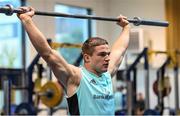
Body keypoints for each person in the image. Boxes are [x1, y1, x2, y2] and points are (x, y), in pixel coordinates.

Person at [17, 6, 130, 115]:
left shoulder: (107, 74)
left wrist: (126, 27)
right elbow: (48, 53)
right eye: (102, 54)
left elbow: (120, 49)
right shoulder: (76, 77)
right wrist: (27, 20)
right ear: (87, 57)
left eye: (108, 54)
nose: (108, 58)